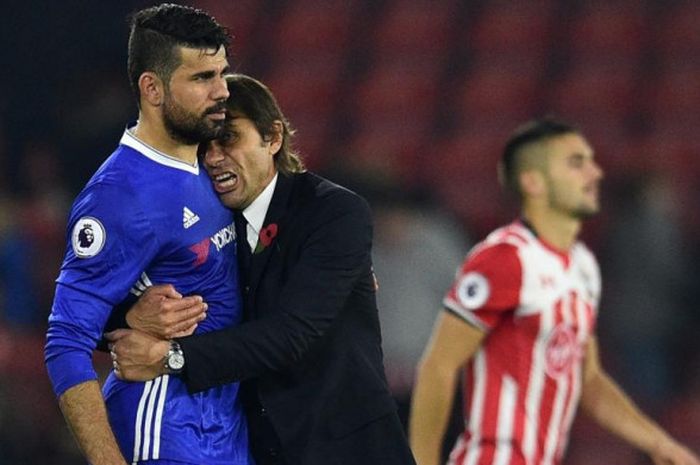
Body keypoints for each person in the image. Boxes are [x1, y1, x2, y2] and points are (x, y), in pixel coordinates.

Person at [106, 73, 417, 465]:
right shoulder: (207, 225)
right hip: (263, 451)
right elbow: (92, 306)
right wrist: (134, 315)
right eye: (204, 146)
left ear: (272, 138)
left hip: (349, 450)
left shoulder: (333, 213)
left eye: (228, 138)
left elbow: (290, 334)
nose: (213, 157)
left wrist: (171, 356)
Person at [408, 118, 700, 465]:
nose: (594, 174)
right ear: (534, 182)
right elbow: (439, 365)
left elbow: (587, 381)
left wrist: (658, 443)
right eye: (576, 164)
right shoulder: (504, 259)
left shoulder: (582, 267)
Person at [44, 4, 253, 465]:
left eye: (222, 73)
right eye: (201, 78)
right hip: (163, 430)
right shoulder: (120, 197)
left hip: (226, 426)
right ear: (152, 88)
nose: (222, 92)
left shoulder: (216, 157)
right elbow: (65, 341)